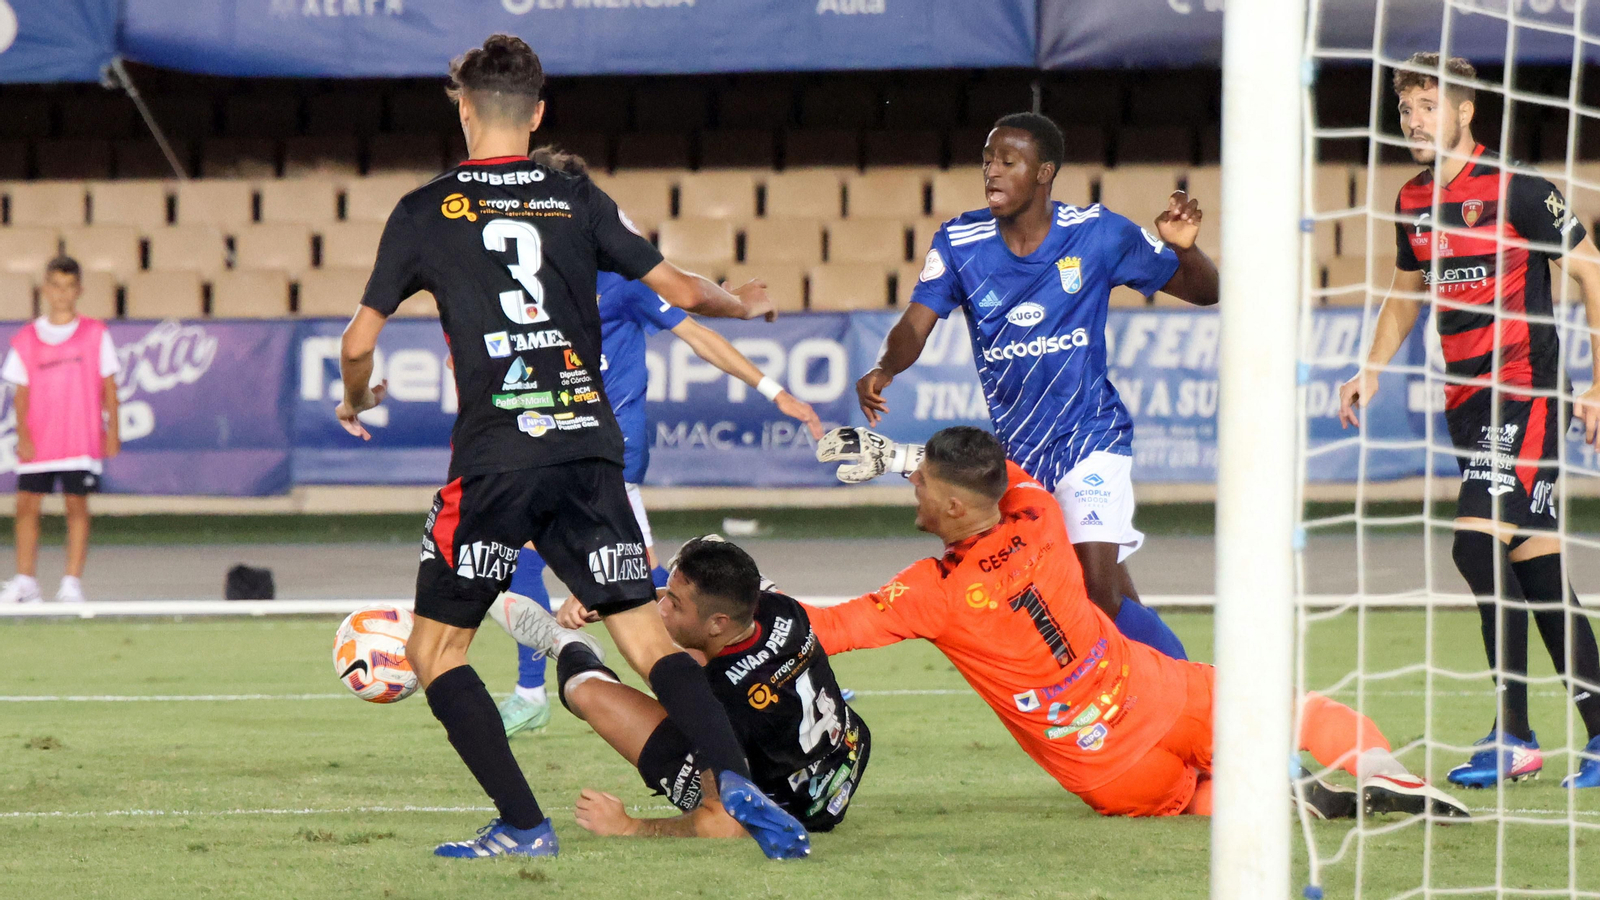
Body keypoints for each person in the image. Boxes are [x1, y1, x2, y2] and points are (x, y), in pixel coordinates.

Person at [335, 34, 810, 859]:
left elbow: (356, 342)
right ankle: (734, 780)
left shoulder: (423, 210)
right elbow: (682, 289)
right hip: (590, 450)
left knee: (435, 650)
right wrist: (739, 303)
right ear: (538, 114)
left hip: (496, 459)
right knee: (647, 638)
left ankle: (524, 825)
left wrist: (356, 397)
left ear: (463, 107)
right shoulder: (577, 198)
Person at [814, 425, 1469, 819]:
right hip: (1161, 695)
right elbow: (1000, 474)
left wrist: (761, 597)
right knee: (1298, 711)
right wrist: (904, 456)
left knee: (1195, 798)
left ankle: (1278, 801)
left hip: (1108, 767)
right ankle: (1383, 768)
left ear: (955, 507)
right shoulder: (1038, 514)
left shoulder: (929, 592)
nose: (915, 488)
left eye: (922, 482)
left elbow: (829, 629)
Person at [852, 112, 1217, 662]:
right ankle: (1169, 682)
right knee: (1104, 594)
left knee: (1094, 593)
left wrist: (1185, 249)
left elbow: (1206, 291)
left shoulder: (1096, 233)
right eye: (987, 161)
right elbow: (915, 323)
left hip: (1091, 435)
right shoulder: (960, 242)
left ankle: (1196, 688)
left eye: (1008, 161)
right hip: (1022, 453)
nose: (992, 172)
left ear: (1044, 172)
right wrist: (885, 368)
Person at [1337, 52, 1600, 790]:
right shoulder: (1414, 200)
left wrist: (1598, 384)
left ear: (1464, 111)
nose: (1413, 121)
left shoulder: (1519, 188)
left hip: (1527, 393)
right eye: (1406, 108)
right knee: (1535, 566)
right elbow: (1406, 292)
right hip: (1467, 405)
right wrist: (1372, 366)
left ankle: (1513, 734)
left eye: (1428, 106)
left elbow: (1592, 269)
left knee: (1475, 545)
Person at [498, 148, 824, 738]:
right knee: (582, 568)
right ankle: (531, 691)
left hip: (610, 454)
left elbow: (696, 331)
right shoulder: (524, 280)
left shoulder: (620, 278)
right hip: (557, 446)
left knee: (637, 587)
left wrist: (776, 391)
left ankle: (772, 656)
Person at [488, 537, 869, 838]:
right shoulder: (781, 608)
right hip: (843, 764)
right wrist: (616, 602)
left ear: (719, 621)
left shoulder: (720, 706)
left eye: (675, 603)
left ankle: (565, 645)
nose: (662, 609)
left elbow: (724, 823)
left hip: (787, 806)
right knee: (708, 555)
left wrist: (629, 826)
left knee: (584, 691)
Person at [0, 256, 120, 605]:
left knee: (76, 507)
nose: (62, 293)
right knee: (26, 506)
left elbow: (109, 386)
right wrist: (23, 435)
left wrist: (112, 430)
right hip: (40, 440)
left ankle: (71, 584)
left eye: (69, 286)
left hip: (80, 439)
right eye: (55, 285)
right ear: (45, 290)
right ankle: (26, 582)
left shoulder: (95, 334)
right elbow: (20, 393)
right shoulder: (27, 339)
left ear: (79, 290)